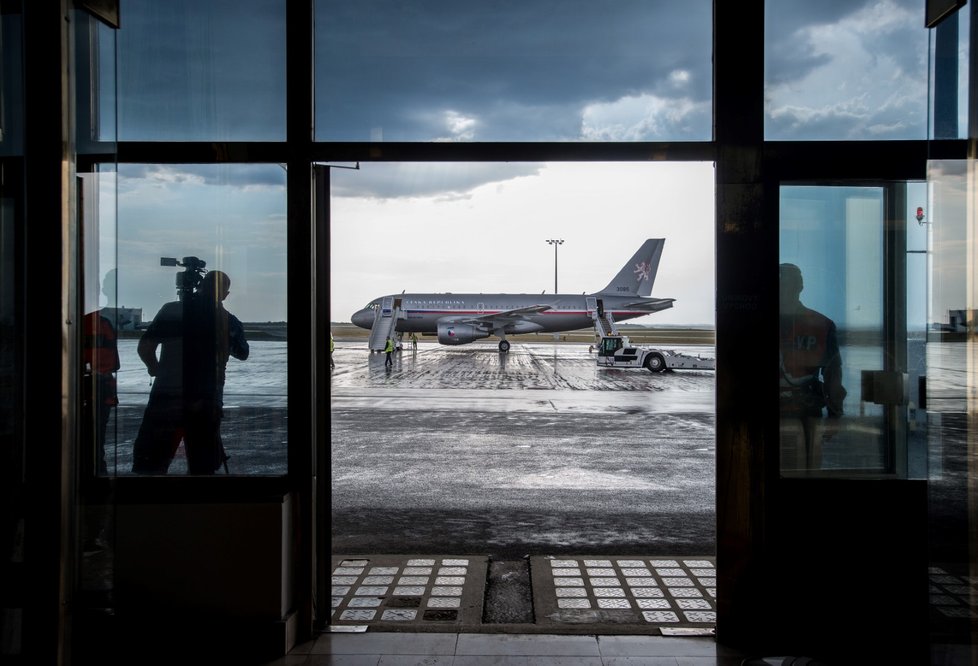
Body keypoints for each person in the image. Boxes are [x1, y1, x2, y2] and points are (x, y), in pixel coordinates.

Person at [131, 270, 249, 475]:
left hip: (165, 396)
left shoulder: (171, 311)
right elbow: (243, 353)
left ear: (200, 286)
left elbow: (146, 346)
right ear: (224, 294)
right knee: (203, 467)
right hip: (206, 400)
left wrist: (155, 368)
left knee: (149, 465)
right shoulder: (228, 321)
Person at [779, 263, 846, 470]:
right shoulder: (822, 324)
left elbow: (833, 375)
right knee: (806, 470)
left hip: (804, 412)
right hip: (807, 412)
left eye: (788, 284)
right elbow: (833, 376)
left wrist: (835, 414)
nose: (786, 289)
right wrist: (835, 414)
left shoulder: (823, 325)